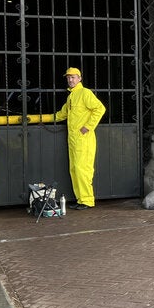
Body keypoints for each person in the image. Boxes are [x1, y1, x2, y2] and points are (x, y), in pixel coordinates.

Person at [55, 67, 106, 209]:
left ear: (79, 78)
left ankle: (87, 200)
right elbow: (62, 114)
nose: (70, 80)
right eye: (68, 78)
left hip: (84, 139)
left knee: (82, 169)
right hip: (73, 139)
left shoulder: (85, 93)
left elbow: (100, 108)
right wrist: (41, 118)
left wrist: (88, 126)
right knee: (74, 169)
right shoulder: (71, 96)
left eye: (73, 77)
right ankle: (80, 199)